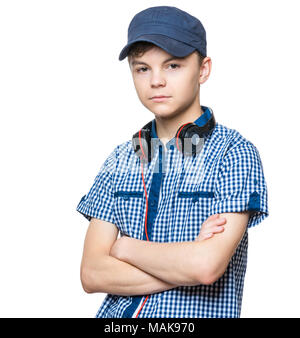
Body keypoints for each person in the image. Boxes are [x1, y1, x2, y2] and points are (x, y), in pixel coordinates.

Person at [76, 6, 269, 318]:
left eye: (173, 66)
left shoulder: (234, 153)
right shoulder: (119, 159)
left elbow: (206, 267)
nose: (156, 81)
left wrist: (125, 248)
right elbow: (92, 273)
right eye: (142, 68)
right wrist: (184, 263)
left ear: (203, 69)